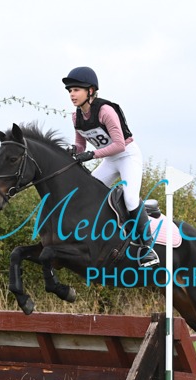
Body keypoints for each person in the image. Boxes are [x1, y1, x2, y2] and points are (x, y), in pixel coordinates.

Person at [63, 66, 159, 268]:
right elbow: (81, 146)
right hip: (109, 160)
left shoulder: (105, 111)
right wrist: (71, 150)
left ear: (90, 91)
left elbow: (119, 145)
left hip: (127, 156)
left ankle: (148, 248)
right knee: (86, 194)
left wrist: (92, 155)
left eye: (76, 90)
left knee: (130, 198)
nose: (72, 94)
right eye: (70, 90)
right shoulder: (76, 116)